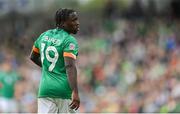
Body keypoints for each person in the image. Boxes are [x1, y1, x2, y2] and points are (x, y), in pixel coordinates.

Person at [30, 8, 80, 113]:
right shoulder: (69, 40)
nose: (77, 23)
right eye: (73, 20)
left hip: (44, 91)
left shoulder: (44, 35)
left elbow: (33, 57)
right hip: (63, 91)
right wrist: (75, 92)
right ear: (63, 23)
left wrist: (49, 68)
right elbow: (70, 66)